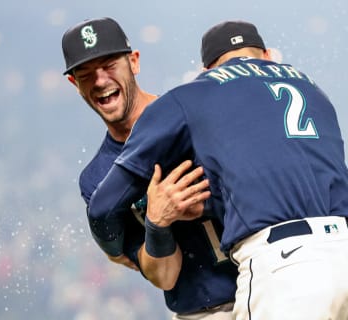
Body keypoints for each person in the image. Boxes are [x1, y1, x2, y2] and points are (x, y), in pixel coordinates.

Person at [88, 20, 348, 320]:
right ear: (266, 55)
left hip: (283, 265)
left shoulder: (198, 92)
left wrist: (115, 249)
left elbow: (102, 207)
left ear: (208, 68)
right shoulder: (312, 88)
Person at [62, 17, 238, 319]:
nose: (100, 80)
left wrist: (209, 204)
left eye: (109, 65)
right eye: (86, 74)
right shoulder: (98, 180)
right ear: (74, 84)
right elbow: (164, 277)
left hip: (264, 287)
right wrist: (157, 222)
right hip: (201, 313)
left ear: (134, 62)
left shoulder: (194, 115)